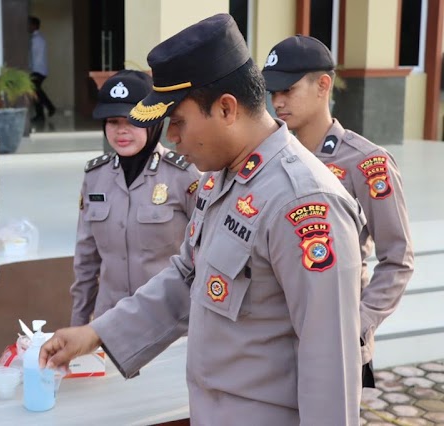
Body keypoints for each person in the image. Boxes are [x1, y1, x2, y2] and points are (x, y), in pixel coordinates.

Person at [40, 14, 366, 425]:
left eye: (177, 122)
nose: (171, 138)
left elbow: (330, 366)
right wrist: (96, 333)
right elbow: (187, 276)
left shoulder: (302, 202)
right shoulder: (224, 179)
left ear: (226, 108)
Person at [261, 35, 414, 388]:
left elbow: (398, 258)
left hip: (337, 344)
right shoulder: (271, 158)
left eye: (288, 89)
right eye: (272, 93)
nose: (278, 102)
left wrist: (357, 325)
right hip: (277, 342)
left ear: (323, 85)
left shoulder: (366, 163)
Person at [71, 70, 201, 326]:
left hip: (169, 324)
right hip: (110, 324)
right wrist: (78, 326)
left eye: (132, 121)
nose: (121, 131)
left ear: (153, 122)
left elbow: (205, 254)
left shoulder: (184, 175)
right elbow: (86, 262)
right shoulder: (95, 176)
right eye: (112, 121)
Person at [28, 15, 56, 121]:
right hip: (38, 69)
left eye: (29, 24)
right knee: (37, 91)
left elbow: (33, 56)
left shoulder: (36, 39)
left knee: (36, 92)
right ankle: (45, 111)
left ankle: (47, 110)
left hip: (37, 69)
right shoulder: (38, 38)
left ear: (34, 26)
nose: (27, 27)